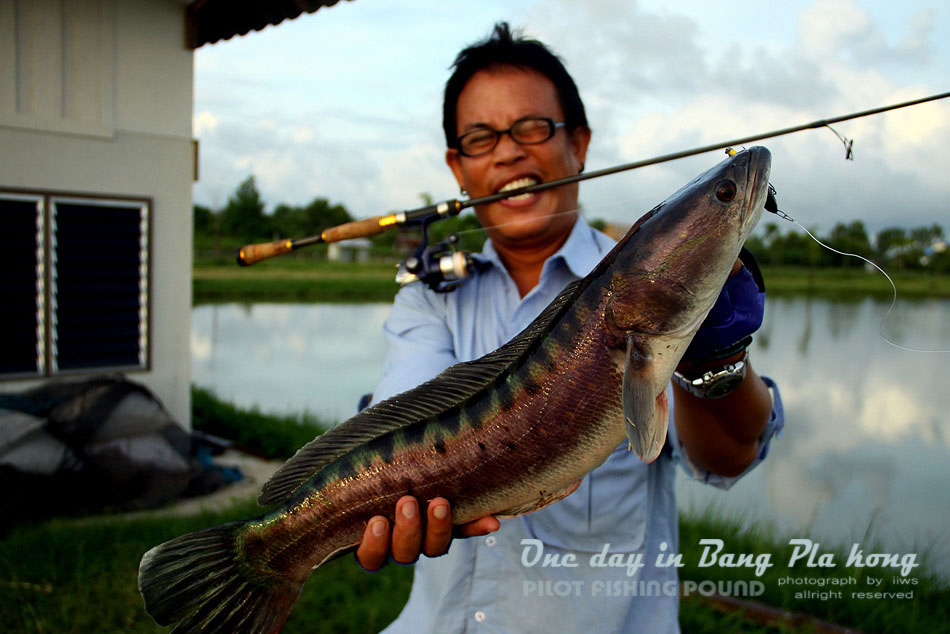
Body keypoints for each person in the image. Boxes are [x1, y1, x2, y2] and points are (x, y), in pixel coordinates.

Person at [355, 23, 784, 633]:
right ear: (457, 165)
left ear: (578, 144)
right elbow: (400, 417)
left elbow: (730, 455)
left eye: (532, 128)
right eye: (480, 138)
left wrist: (716, 357)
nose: (508, 152)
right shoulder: (431, 299)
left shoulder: (645, 294)